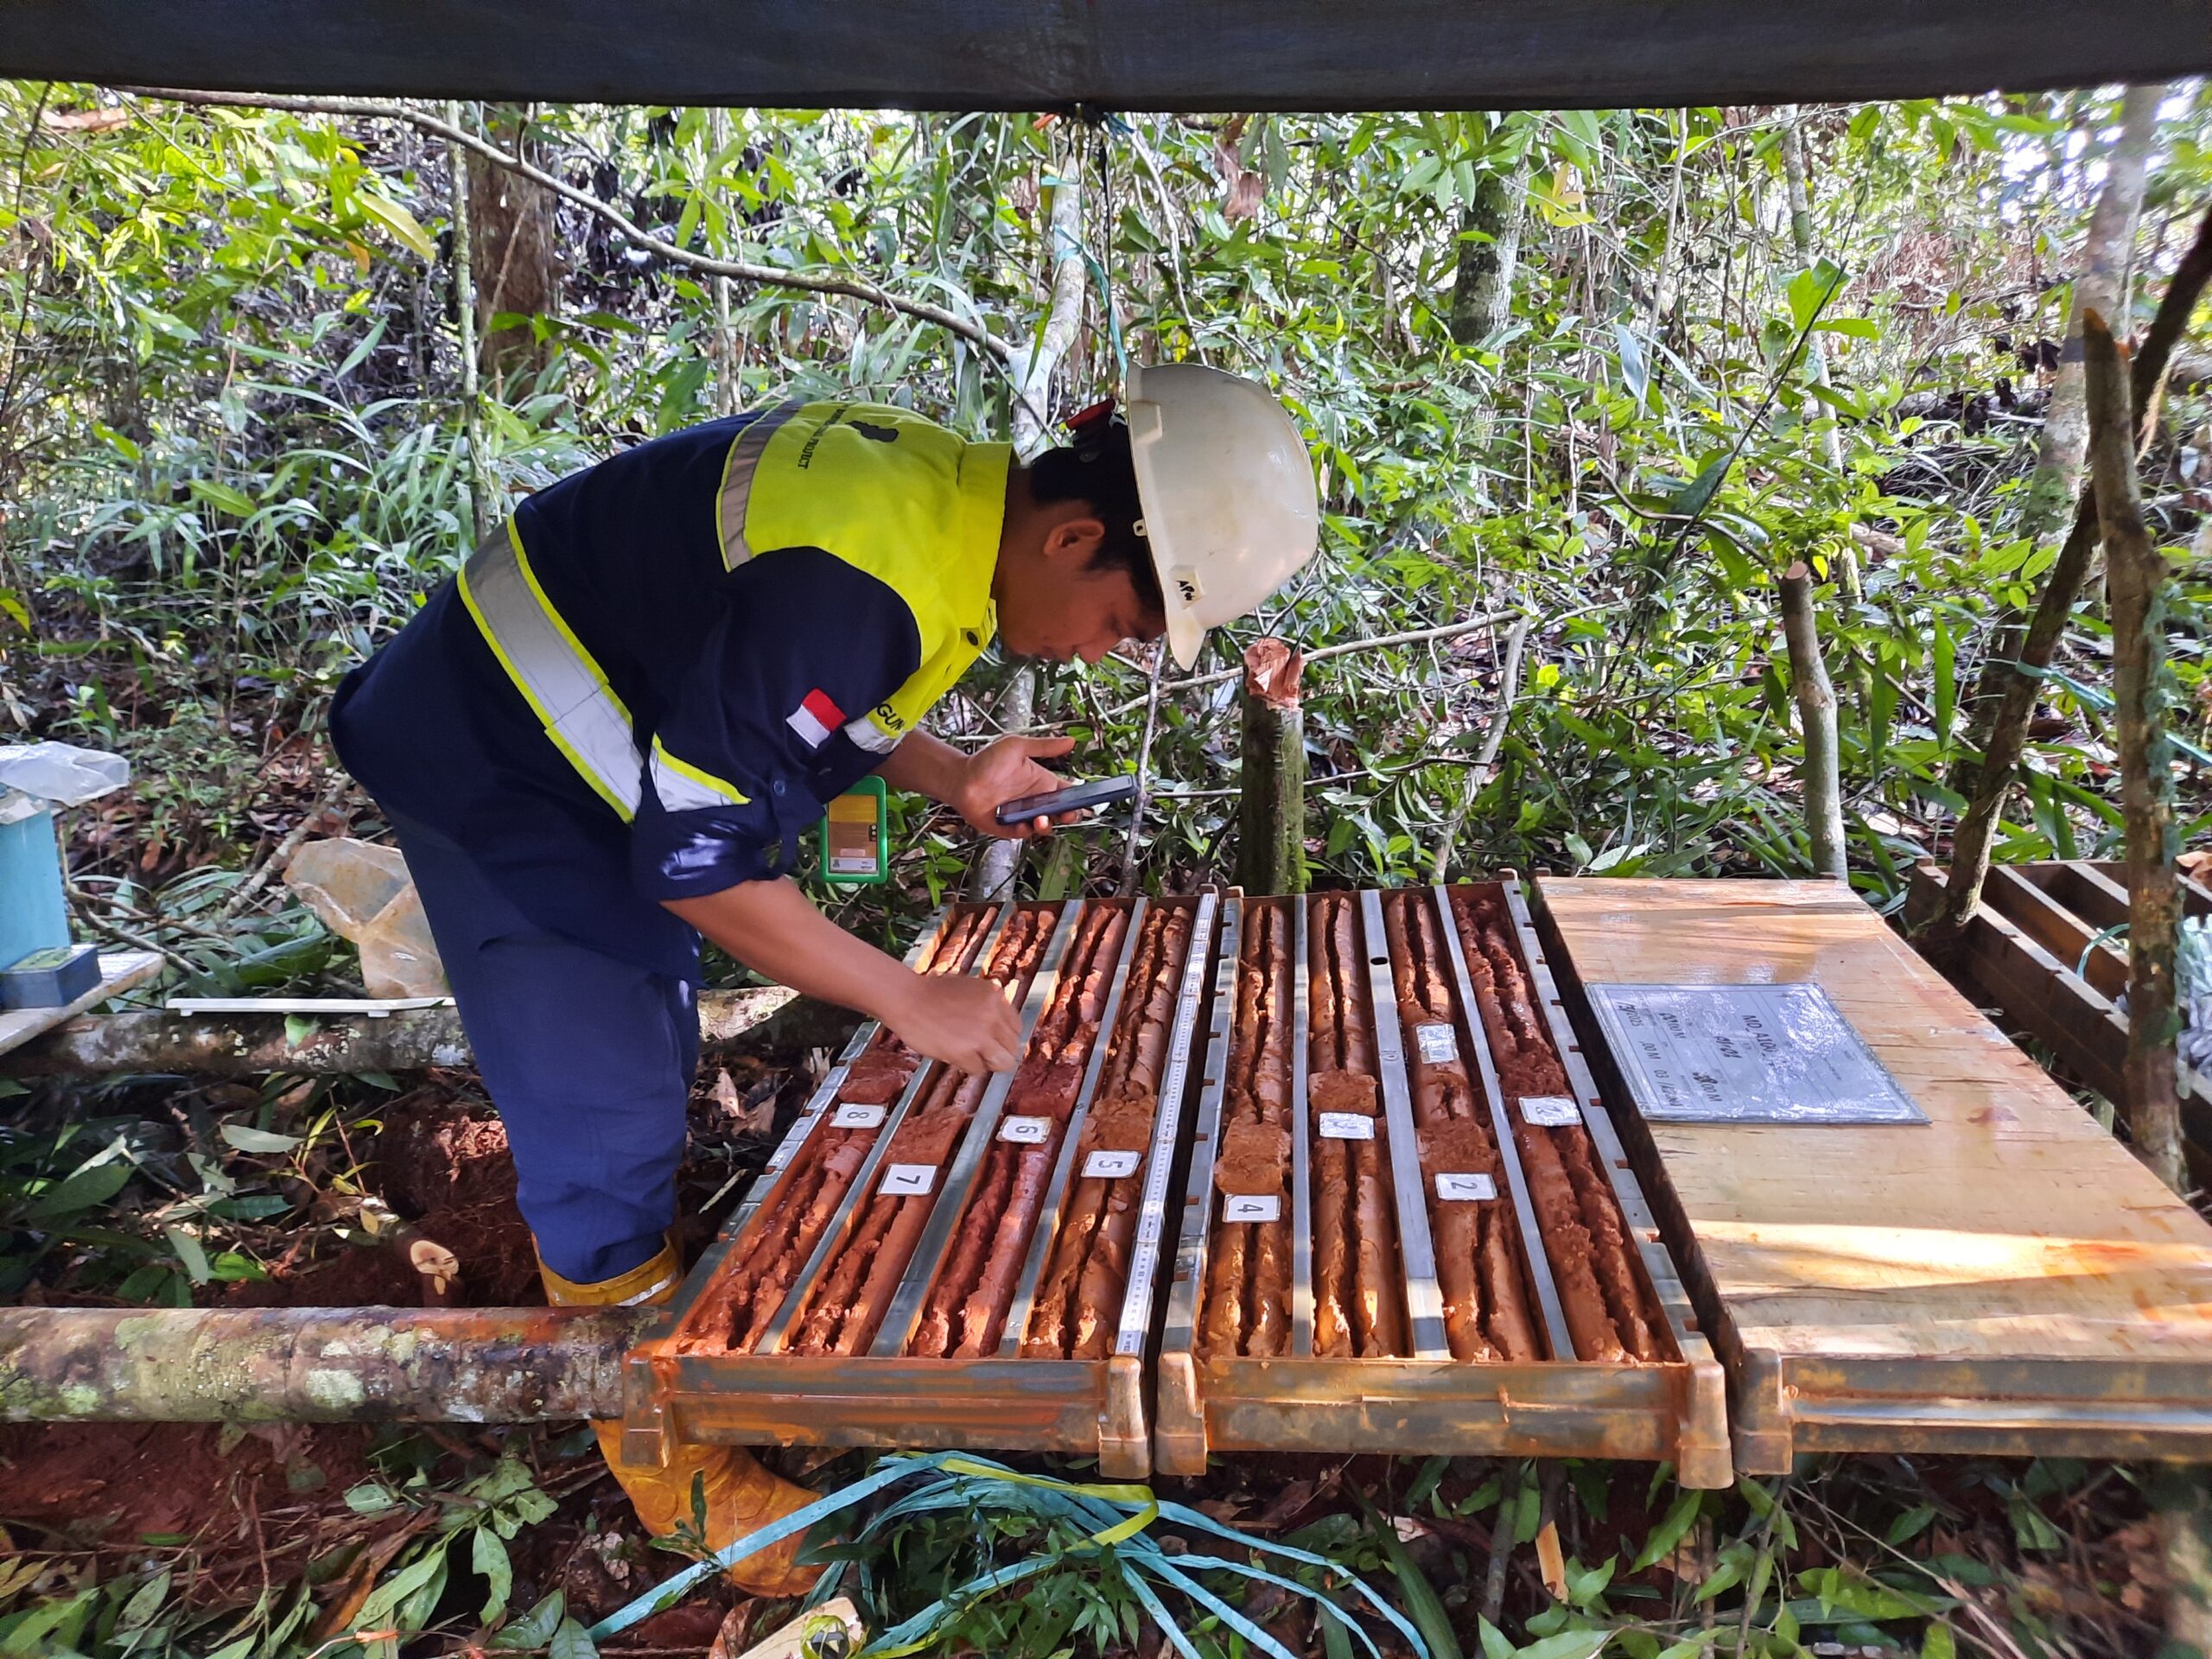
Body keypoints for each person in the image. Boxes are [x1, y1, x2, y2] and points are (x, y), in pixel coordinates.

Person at [328, 362, 1319, 1590]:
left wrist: (952, 776)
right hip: (496, 754)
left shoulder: (942, 506)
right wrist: (907, 994)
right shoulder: (858, 582)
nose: (1102, 652)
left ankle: (643, 1278)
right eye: (1120, 623)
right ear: (1073, 537)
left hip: (583, 724)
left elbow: (815, 698)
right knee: (606, 1096)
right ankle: (670, 1471)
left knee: (647, 1029)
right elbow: (695, 864)